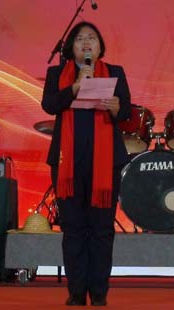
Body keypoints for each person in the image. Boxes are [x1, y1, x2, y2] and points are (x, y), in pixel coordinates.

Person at [42, 21, 131, 306]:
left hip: (105, 163)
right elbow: (49, 105)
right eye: (80, 39)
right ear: (72, 47)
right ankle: (77, 291)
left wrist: (116, 108)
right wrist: (75, 87)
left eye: (92, 38)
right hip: (67, 163)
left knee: (102, 230)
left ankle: (100, 293)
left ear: (100, 46)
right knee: (73, 228)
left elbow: (126, 112)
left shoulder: (115, 73)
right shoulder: (56, 74)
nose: (86, 43)